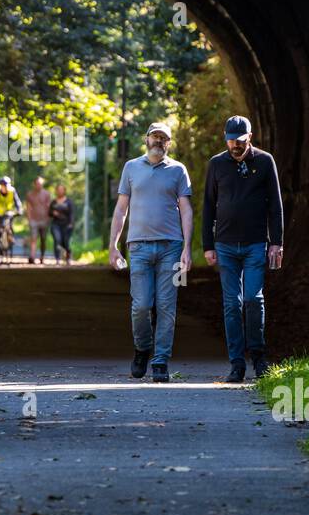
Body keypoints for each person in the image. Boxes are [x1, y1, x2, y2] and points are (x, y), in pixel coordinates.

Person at [108, 122, 193, 383]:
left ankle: (160, 361)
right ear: (146, 140)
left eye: (164, 138)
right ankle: (143, 348)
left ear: (169, 143)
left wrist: (187, 248)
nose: (159, 141)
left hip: (171, 247)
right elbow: (122, 208)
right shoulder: (131, 168)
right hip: (139, 247)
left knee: (167, 306)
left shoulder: (178, 170)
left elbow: (186, 209)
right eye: (155, 137)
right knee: (141, 305)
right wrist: (113, 245)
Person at [202, 115, 284, 382]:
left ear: (249, 137)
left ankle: (259, 358)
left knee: (252, 298)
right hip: (224, 245)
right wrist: (207, 245)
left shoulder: (264, 161)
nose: (234, 145)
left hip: (255, 243)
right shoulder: (216, 164)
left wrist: (277, 243)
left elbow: (275, 205)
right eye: (230, 140)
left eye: (239, 140)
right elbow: (208, 206)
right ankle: (237, 364)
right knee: (231, 304)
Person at [0, 175, 22, 261]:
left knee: (9, 226)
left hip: (8, 213)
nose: (6, 188)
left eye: (7, 185)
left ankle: (10, 238)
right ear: (1, 186)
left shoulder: (12, 191)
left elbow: (17, 202)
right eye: (4, 186)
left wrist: (19, 210)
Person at [24, 176, 52, 264]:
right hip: (34, 220)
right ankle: (32, 256)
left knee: (43, 239)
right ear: (34, 184)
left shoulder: (46, 194)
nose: (39, 185)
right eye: (37, 184)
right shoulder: (30, 195)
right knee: (34, 238)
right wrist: (29, 218)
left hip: (44, 220)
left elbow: (49, 206)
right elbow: (28, 207)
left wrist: (48, 218)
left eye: (40, 184)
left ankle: (42, 256)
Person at [49, 184, 74, 264]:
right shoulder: (53, 202)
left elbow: (72, 214)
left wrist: (71, 223)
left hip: (66, 224)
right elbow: (49, 213)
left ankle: (68, 257)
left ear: (64, 191)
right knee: (57, 240)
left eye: (61, 189)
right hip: (56, 224)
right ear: (56, 191)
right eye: (58, 189)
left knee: (66, 242)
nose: (60, 191)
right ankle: (57, 259)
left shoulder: (68, 202)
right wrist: (53, 213)